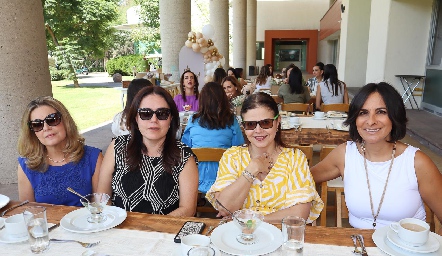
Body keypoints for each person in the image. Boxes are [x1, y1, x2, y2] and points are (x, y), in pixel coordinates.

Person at [311, 82, 442, 233]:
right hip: (361, 246)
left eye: (381, 112)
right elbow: (304, 178)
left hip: (406, 248)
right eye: (363, 112)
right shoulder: (345, 154)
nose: (371, 121)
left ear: (394, 115)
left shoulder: (416, 162)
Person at [206, 93, 323, 224]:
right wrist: (252, 169)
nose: (258, 130)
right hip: (240, 237)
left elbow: (300, 214)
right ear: (244, 127)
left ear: (278, 122)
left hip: (280, 237)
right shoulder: (232, 157)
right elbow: (224, 207)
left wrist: (254, 221)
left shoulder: (295, 158)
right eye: (250, 124)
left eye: (265, 123)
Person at [98, 86, 198, 216]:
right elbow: (102, 197)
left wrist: (149, 227)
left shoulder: (184, 157)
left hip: (162, 232)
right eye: (146, 113)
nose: (154, 120)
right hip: (118, 228)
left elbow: (188, 209)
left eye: (162, 114)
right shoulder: (118, 146)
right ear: (135, 117)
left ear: (171, 118)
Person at [17, 96, 103, 206]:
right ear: (32, 132)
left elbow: (101, 207)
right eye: (37, 124)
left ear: (66, 121)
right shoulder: (26, 165)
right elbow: (28, 212)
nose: (46, 128)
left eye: (52, 119)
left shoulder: (93, 158)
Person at [182, 82, 244, 193]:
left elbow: (184, 148)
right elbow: (238, 148)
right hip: (225, 179)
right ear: (223, 100)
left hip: (195, 179)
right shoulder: (231, 120)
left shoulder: (193, 120)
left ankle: (198, 201)